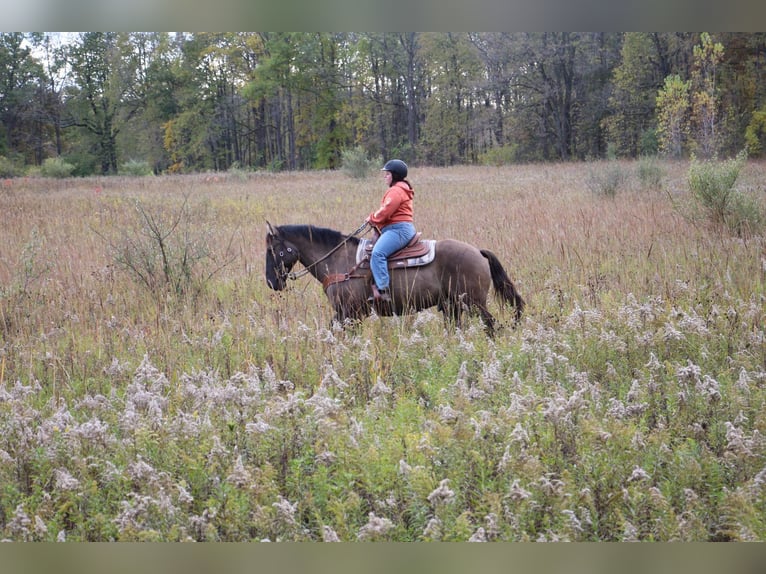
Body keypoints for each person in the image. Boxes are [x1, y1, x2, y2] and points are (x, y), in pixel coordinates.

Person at [365, 159, 416, 303]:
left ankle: (383, 290)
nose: (384, 177)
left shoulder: (396, 191)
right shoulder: (400, 189)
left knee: (378, 253)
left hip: (398, 230)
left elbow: (386, 211)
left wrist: (372, 218)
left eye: (387, 174)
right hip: (396, 228)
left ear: (395, 175)